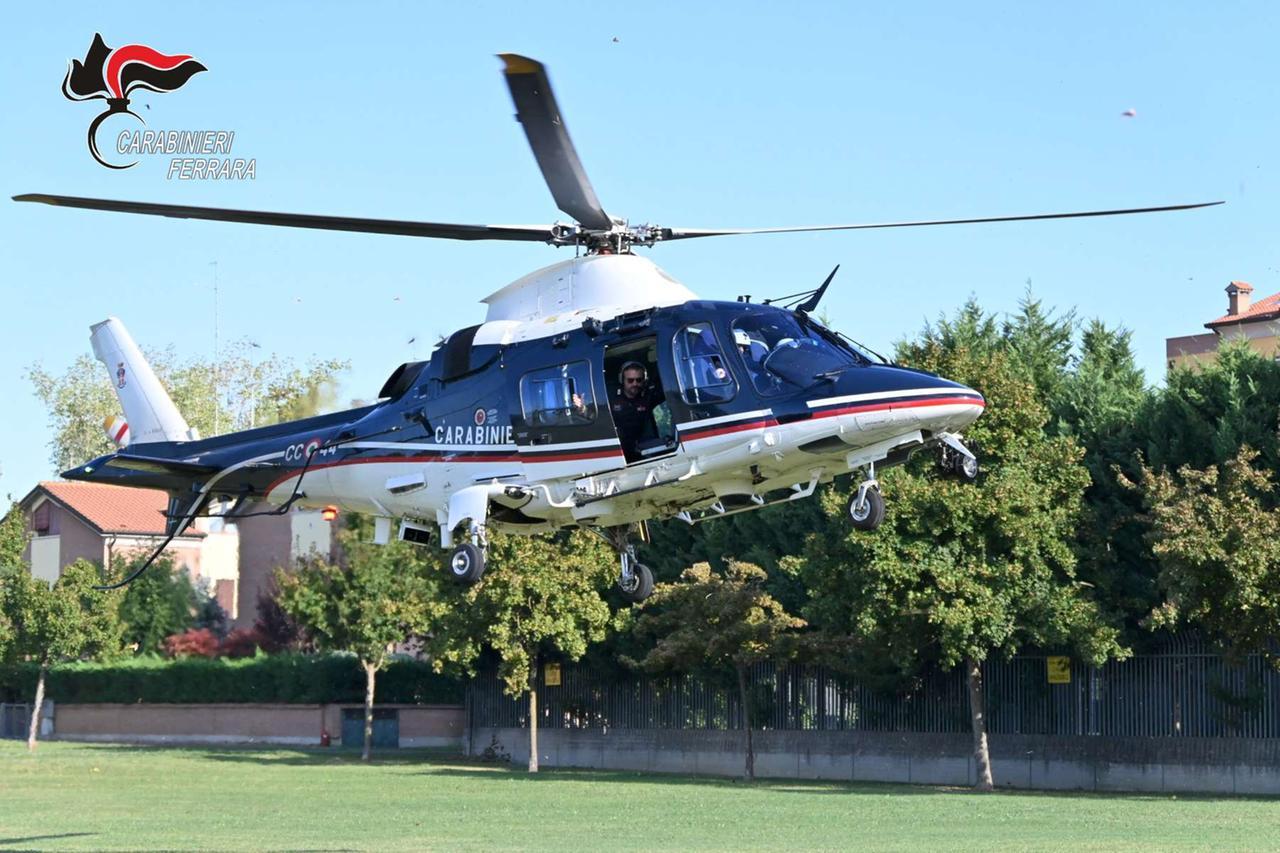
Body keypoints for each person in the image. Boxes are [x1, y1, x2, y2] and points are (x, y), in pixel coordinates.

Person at [611, 361, 665, 461]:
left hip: (643, 447)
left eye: (639, 380)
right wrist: (582, 409)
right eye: (630, 380)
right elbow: (598, 415)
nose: (635, 384)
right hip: (619, 451)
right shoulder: (612, 399)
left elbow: (669, 392)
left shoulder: (648, 397)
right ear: (622, 381)